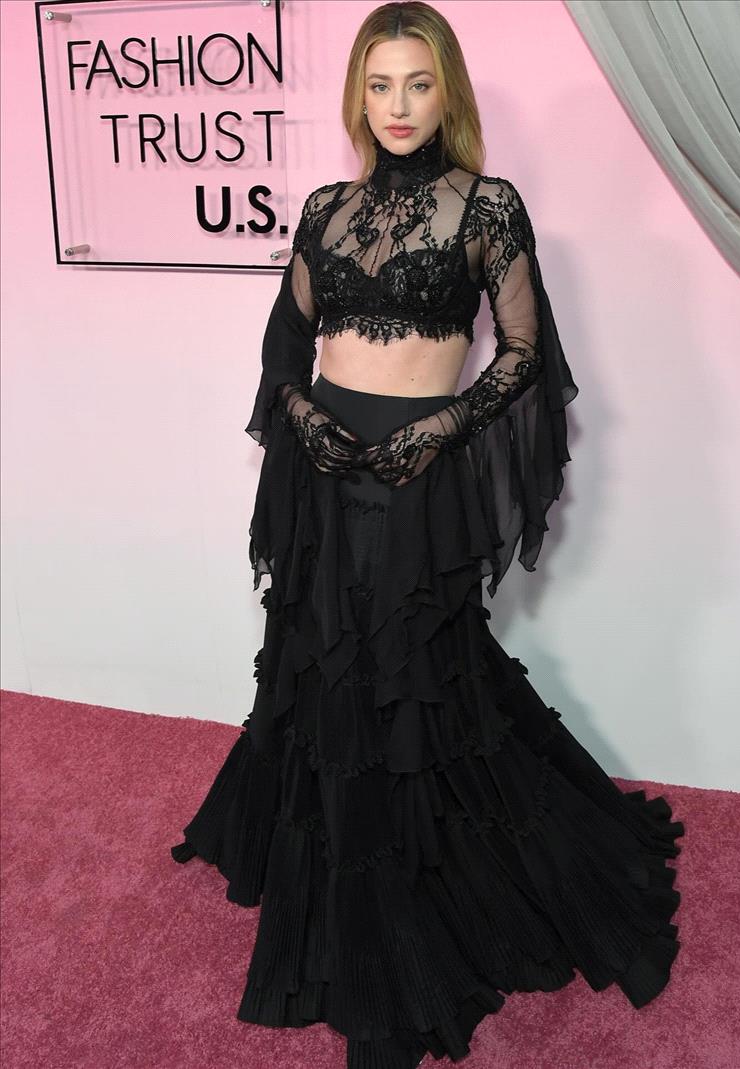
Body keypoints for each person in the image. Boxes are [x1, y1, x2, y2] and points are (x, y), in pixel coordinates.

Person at [171, 4, 685, 1067]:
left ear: (446, 89)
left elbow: (526, 351)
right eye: (379, 85)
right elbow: (286, 345)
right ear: (356, 96)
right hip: (323, 468)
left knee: (411, 677)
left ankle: (404, 934)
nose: (397, 105)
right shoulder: (326, 209)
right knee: (323, 665)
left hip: (415, 473)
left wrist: (444, 426)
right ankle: (325, 867)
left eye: (416, 83)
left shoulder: (487, 206)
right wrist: (302, 410)